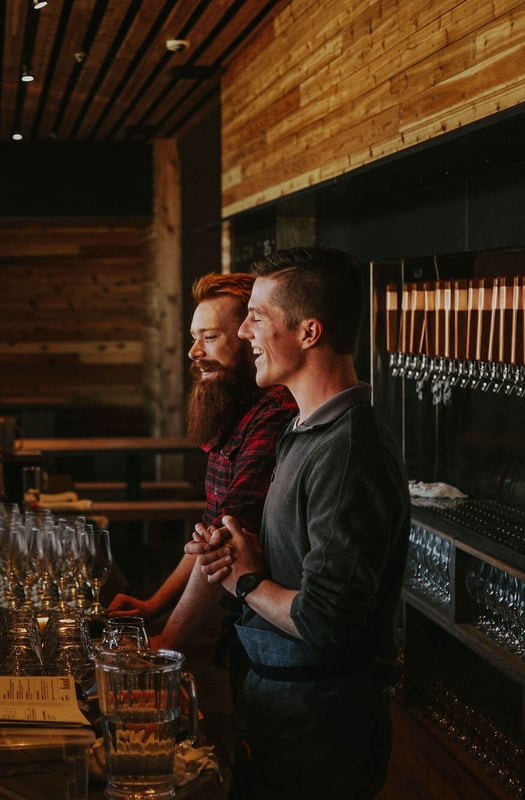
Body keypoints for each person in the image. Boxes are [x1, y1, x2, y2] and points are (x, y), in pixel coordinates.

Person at [190, 248, 409, 800]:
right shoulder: (304, 427)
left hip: (320, 725)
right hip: (276, 704)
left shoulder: (348, 450)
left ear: (309, 331)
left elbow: (326, 620)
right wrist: (237, 549)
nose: (243, 333)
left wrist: (244, 580)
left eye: (256, 317)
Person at [107, 274, 297, 659]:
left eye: (210, 337)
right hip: (250, 621)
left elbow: (225, 540)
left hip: (283, 634)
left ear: (249, 338)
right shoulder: (236, 410)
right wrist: (153, 605)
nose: (194, 352)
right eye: (195, 338)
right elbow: (212, 527)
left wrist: (168, 640)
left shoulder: (275, 411)